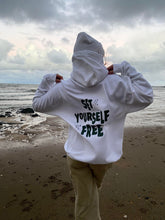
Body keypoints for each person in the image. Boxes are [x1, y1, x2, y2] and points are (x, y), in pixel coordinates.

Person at [32, 32, 153, 220]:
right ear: (100, 58)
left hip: (77, 155)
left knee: (88, 195)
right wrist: (125, 68)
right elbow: (146, 95)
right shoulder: (114, 84)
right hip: (104, 158)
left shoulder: (65, 88)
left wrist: (46, 81)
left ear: (75, 59)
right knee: (86, 200)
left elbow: (38, 104)